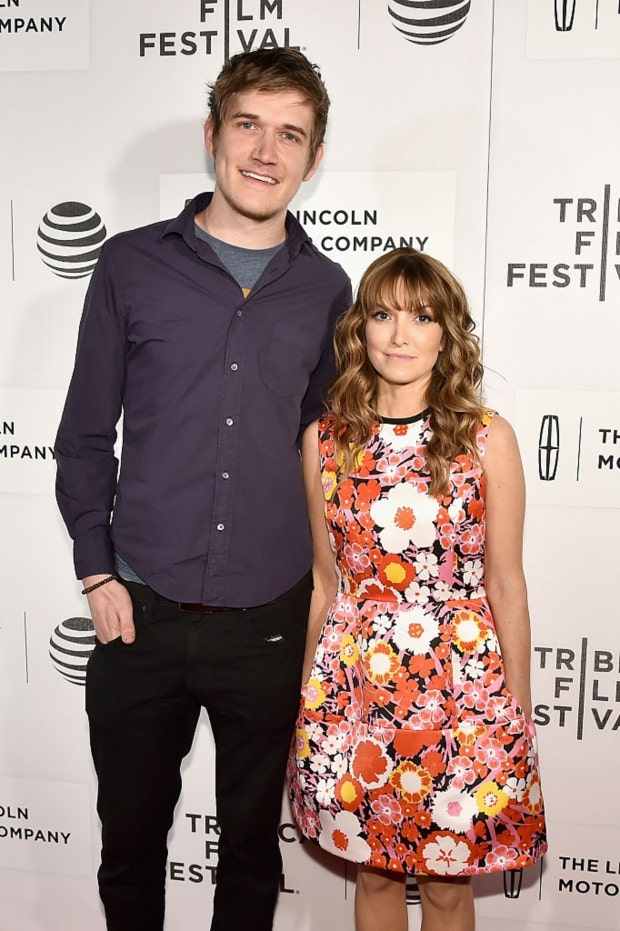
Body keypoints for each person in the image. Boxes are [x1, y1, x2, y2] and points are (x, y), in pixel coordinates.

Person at [55, 48, 351, 931]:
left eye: (290, 134)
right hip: (139, 609)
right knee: (129, 848)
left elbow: (323, 450)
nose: (265, 151)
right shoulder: (130, 265)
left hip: (269, 619)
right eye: (249, 124)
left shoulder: (327, 289)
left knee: (253, 856)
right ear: (213, 133)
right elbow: (83, 433)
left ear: (314, 157)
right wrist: (97, 570)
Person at [288, 248, 547, 931]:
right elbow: (324, 582)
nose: (400, 335)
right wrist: (307, 701)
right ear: (361, 328)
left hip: (460, 693)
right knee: (373, 875)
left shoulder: (486, 438)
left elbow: (505, 582)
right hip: (355, 690)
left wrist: (515, 711)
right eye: (384, 314)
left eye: (422, 317)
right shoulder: (326, 440)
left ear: (447, 333)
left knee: (445, 886)